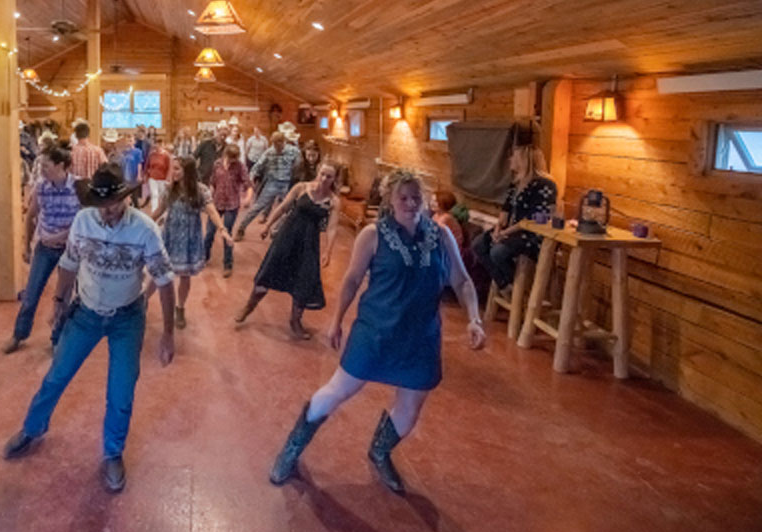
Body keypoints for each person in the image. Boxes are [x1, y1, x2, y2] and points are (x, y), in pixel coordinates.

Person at [268, 169, 486, 491]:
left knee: (410, 410)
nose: (411, 204)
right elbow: (353, 280)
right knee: (336, 392)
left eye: (417, 197)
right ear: (390, 200)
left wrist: (474, 318)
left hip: (421, 338)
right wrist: (336, 320)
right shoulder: (373, 235)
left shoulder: (441, 236)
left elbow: (462, 280)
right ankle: (291, 449)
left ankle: (380, 451)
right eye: (403, 198)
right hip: (376, 333)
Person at [2, 163, 177, 494]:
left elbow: (165, 281)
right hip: (86, 312)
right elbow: (69, 263)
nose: (108, 211)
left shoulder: (144, 229)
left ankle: (113, 452)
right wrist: (57, 303)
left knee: (121, 390)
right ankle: (32, 428)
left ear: (126, 199)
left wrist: (168, 334)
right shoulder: (83, 221)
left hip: (128, 316)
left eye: (114, 204)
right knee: (56, 375)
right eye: (102, 204)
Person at [236, 162, 342, 339]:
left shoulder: (334, 201)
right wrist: (268, 225)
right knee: (269, 272)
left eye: (329, 176)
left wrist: (328, 251)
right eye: (322, 174)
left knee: (304, 279)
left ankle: (295, 321)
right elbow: (283, 206)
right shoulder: (301, 188)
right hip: (287, 236)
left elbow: (332, 228)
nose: (324, 179)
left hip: (309, 244)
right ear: (317, 171)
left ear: (334, 179)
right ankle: (248, 307)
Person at [3, 146, 82, 353]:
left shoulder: (79, 186)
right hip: (45, 248)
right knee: (31, 293)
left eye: (46, 166)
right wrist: (26, 244)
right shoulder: (41, 186)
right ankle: (19, 334)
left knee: (64, 296)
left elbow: (83, 223)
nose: (42, 170)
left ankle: (57, 339)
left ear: (61, 166)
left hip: (70, 250)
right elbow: (31, 215)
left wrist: (60, 236)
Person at [145, 156, 233, 329]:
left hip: (189, 239)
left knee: (184, 276)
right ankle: (142, 303)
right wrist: (143, 224)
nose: (174, 172)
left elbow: (212, 211)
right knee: (159, 273)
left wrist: (222, 229)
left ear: (188, 171)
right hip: (170, 236)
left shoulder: (200, 191)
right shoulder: (170, 189)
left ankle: (180, 308)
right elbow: (159, 210)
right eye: (174, 168)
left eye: (177, 169)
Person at [473, 141, 557, 293]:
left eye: (514, 156)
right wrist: (498, 229)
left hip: (532, 234)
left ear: (524, 160)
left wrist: (505, 233)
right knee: (478, 244)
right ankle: (506, 284)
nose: (510, 159)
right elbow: (505, 211)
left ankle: (519, 289)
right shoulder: (516, 184)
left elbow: (537, 219)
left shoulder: (545, 185)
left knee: (498, 252)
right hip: (511, 230)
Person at [234, 131, 301, 239]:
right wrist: (251, 177)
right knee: (258, 206)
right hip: (272, 182)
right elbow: (257, 166)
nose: (276, 147)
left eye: (278, 144)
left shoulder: (293, 151)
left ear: (283, 142)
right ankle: (241, 228)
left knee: (289, 209)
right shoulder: (269, 152)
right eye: (273, 144)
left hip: (287, 183)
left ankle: (276, 230)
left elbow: (299, 167)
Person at [205, 143, 250, 278]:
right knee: (209, 233)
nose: (232, 161)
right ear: (225, 155)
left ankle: (228, 264)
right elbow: (213, 182)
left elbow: (248, 184)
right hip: (216, 203)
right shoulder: (217, 164)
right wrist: (208, 198)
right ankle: (204, 257)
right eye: (231, 158)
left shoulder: (240, 166)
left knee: (227, 234)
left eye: (235, 158)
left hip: (232, 204)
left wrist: (247, 198)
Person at [143, 138, 172, 214]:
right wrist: (145, 174)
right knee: (154, 194)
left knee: (162, 196)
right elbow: (147, 165)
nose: (158, 146)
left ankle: (163, 212)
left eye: (160, 144)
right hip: (152, 178)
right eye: (157, 144)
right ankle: (154, 211)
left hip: (163, 178)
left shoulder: (166, 155)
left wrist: (168, 178)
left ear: (163, 145)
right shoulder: (151, 154)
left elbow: (169, 167)